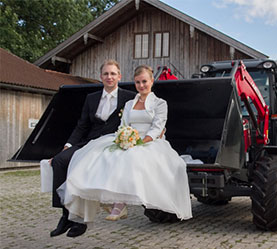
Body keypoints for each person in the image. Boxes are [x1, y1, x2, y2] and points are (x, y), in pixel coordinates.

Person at [57, 65, 192, 236]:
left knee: (133, 158)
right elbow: (123, 125)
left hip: (150, 142)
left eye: (144, 81)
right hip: (130, 138)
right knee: (100, 155)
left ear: (151, 81)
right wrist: (123, 138)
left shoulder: (160, 103)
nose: (141, 85)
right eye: (137, 82)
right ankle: (104, 198)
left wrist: (139, 142)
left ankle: (119, 203)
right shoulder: (129, 104)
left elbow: (157, 128)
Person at [50, 60, 136, 238]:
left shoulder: (129, 97)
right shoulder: (91, 98)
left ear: (119, 76)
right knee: (59, 161)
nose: (109, 77)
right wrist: (67, 147)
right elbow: (81, 126)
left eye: (113, 74)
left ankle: (81, 221)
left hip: (112, 143)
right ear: (101, 77)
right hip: (89, 141)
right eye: (106, 74)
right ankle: (66, 215)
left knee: (84, 168)